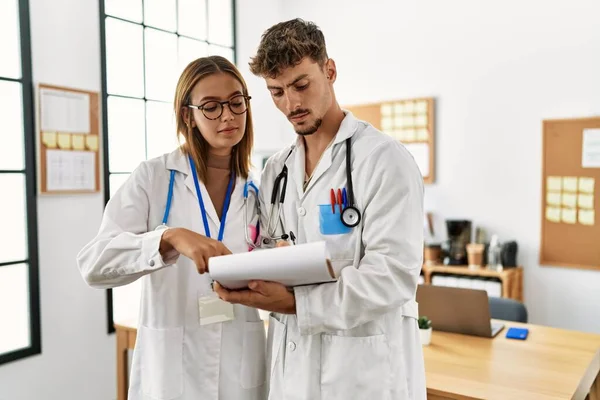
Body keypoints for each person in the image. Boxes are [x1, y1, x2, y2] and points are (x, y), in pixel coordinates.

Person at [214, 19, 427, 399]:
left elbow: (393, 275)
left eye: (301, 85)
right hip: (292, 370)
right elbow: (266, 249)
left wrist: (299, 303)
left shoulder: (384, 160)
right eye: (276, 91)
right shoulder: (276, 170)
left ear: (329, 70)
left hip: (362, 374)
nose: (290, 104)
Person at [77, 56, 266, 400]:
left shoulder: (257, 189)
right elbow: (94, 265)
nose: (228, 115)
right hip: (173, 374)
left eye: (237, 102)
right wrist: (168, 238)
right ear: (187, 115)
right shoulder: (154, 177)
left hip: (239, 366)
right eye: (211, 107)